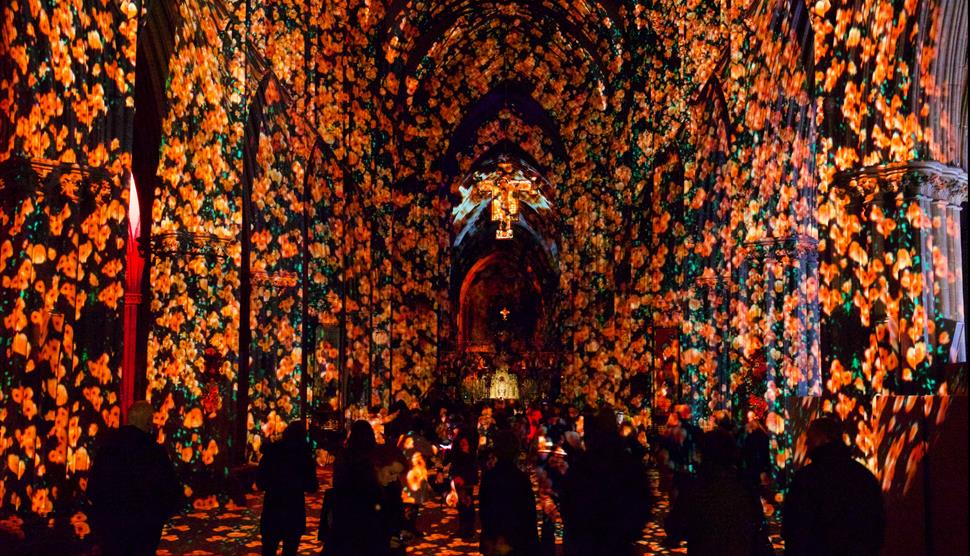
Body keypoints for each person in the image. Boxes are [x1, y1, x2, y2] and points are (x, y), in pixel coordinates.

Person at [88, 400, 183, 556]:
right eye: (151, 420)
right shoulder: (154, 452)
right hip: (144, 530)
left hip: (112, 529)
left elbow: (93, 489)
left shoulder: (108, 448)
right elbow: (171, 492)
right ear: (147, 422)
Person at [783, 416, 885, 556]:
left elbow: (795, 529)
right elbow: (877, 525)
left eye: (811, 437)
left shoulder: (807, 479)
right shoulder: (864, 477)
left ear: (825, 438)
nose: (806, 442)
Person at [560, 409, 653, 556]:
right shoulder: (629, 463)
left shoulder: (582, 465)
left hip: (587, 544)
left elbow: (567, 503)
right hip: (619, 543)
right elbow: (644, 502)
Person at [664, 429, 767, 555]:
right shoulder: (746, 486)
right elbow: (758, 524)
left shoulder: (695, 487)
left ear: (704, 454)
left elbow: (675, 528)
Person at [257, 421, 319, 556]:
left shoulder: (271, 452)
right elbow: (312, 486)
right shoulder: (304, 456)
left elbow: (260, 482)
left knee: (268, 548)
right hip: (294, 508)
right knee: (290, 550)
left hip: (272, 507)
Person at [479, 430, 539, 556]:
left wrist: (489, 537)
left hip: (495, 539)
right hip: (517, 540)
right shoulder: (521, 479)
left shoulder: (489, 477)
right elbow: (529, 515)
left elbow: (485, 511)